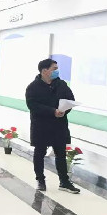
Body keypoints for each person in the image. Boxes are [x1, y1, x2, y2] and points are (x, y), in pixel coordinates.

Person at [25, 58, 80, 194]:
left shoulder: (62, 85)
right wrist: (52, 111)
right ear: (45, 71)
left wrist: (64, 111)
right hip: (41, 125)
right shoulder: (33, 87)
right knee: (40, 153)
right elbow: (32, 105)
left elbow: (70, 100)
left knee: (61, 153)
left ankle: (64, 182)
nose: (57, 71)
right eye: (54, 69)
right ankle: (40, 180)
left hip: (59, 125)